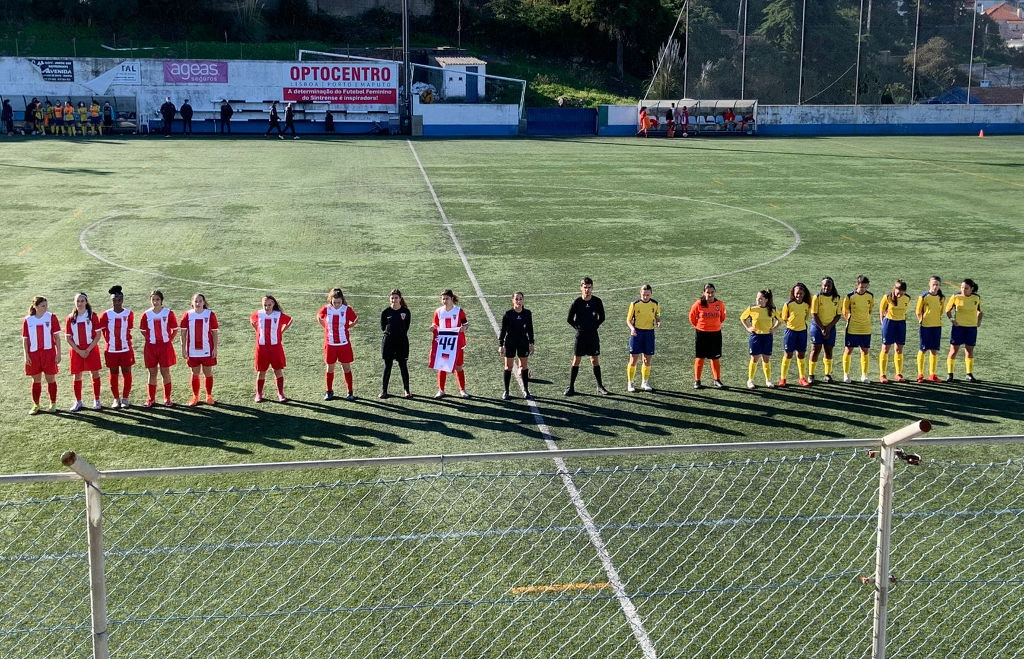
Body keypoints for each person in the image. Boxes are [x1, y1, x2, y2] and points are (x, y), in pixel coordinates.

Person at [566, 277, 608, 396]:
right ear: (581, 288)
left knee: (594, 359)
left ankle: (600, 386)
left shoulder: (597, 301)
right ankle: (571, 387)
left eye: (589, 287)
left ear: (592, 288)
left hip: (593, 335)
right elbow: (569, 319)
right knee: (576, 360)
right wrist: (578, 328)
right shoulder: (576, 302)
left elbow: (602, 317)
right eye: (585, 287)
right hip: (581, 336)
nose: (587, 290)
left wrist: (595, 326)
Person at [318, 287, 359, 401]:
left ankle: (350, 392)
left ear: (342, 301)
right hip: (330, 344)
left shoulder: (347, 309)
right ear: (330, 300)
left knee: (346, 368)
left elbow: (356, 319)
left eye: (338, 302)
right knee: (329, 368)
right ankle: (329, 391)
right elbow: (319, 317)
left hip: (344, 344)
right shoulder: (326, 308)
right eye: (334, 302)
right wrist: (326, 327)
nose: (336, 304)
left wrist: (348, 326)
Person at [23, 296, 61, 414]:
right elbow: (25, 340)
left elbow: (57, 337)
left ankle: (53, 403)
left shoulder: (51, 317)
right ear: (35, 306)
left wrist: (59, 353)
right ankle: (36, 404)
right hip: (33, 354)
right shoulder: (28, 320)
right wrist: (26, 355)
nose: (45, 308)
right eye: (42, 306)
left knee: (50, 379)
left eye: (46, 305)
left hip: (48, 353)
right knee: (36, 380)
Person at [65, 293, 103, 412]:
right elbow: (68, 338)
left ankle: (96, 399)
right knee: (77, 375)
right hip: (76, 351)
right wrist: (79, 351)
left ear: (86, 302)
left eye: (82, 301)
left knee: (94, 373)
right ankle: (78, 401)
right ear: (74, 302)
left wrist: (88, 349)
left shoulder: (92, 316)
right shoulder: (70, 318)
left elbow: (98, 335)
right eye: (78, 301)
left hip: (91, 349)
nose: (80, 303)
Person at [98, 285, 135, 408]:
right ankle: (116, 399)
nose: (116, 302)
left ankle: (125, 398)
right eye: (114, 300)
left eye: (119, 299)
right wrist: (110, 342)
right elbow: (103, 331)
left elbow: (129, 329)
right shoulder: (105, 314)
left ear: (122, 300)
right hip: (111, 350)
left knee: (126, 372)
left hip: (126, 349)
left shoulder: (129, 314)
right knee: (113, 373)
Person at [179, 293, 219, 406]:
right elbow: (183, 333)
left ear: (204, 302)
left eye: (200, 301)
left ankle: (209, 396)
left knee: (208, 373)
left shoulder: (210, 314)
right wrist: (183, 348)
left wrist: (215, 348)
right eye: (196, 301)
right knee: (195, 373)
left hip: (207, 350)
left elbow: (215, 333)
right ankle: (195, 396)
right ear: (192, 303)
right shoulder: (187, 315)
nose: (198, 303)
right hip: (192, 351)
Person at [140, 290, 178, 406]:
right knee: (152, 373)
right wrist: (150, 339)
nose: (155, 302)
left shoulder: (168, 313)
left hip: (164, 347)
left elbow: (175, 329)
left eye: (157, 299)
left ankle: (167, 398)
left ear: (161, 300)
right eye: (153, 300)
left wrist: (168, 340)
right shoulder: (146, 314)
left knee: (165, 372)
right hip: (151, 347)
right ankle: (151, 399)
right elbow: (143, 330)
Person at [251, 295, 292, 402]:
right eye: (265, 305)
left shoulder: (278, 315)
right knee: (261, 371)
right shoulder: (258, 314)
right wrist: (257, 331)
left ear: (273, 304)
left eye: (269, 305)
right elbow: (252, 321)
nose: (267, 307)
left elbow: (289, 320)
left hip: (275, 348)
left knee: (278, 370)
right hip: (262, 348)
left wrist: (281, 331)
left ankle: (280, 394)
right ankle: (259, 394)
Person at [430, 289, 469, 398]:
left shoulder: (458, 311)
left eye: (447, 298)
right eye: (443, 299)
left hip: (456, 343)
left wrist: (464, 328)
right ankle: (441, 390)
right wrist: (433, 327)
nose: (445, 301)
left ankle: (462, 390)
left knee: (458, 367)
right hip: (444, 344)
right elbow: (435, 324)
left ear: (452, 298)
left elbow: (466, 324)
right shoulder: (438, 311)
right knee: (442, 366)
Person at [688, 283, 726, 389]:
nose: (710, 294)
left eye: (712, 292)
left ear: (715, 292)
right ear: (704, 293)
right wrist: (699, 326)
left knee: (715, 358)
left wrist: (714, 325)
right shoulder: (698, 304)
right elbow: (691, 317)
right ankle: (697, 381)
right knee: (700, 358)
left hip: (715, 334)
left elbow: (722, 317)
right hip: (702, 333)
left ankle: (717, 380)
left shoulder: (720, 304)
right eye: (708, 292)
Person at [740, 289, 780, 389]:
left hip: (767, 337)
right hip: (756, 336)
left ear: (766, 300)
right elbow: (742, 318)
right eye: (757, 298)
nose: (758, 300)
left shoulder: (772, 309)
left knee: (766, 359)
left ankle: (768, 380)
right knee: (754, 358)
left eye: (760, 298)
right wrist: (748, 328)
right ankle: (750, 380)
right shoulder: (752, 308)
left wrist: (774, 328)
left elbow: (780, 319)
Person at [499, 292, 535, 400]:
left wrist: (531, 343)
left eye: (520, 299)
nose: (518, 301)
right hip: (510, 342)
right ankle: (506, 391)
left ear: (523, 300)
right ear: (513, 300)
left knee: (524, 366)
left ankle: (526, 390)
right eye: (516, 299)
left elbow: (530, 329)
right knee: (508, 367)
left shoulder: (527, 313)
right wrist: (501, 344)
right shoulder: (508, 314)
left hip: (523, 342)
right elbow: (503, 330)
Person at [945, 278, 983, 382]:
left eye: (966, 288)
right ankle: (950, 374)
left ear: (972, 289)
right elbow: (947, 310)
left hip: (971, 328)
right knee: (954, 350)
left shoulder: (976, 298)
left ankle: (969, 374)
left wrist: (979, 321)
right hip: (958, 328)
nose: (963, 290)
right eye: (962, 287)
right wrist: (952, 320)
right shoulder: (955, 296)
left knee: (969, 350)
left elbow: (980, 311)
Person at [625, 284, 661, 392]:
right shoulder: (635, 304)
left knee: (647, 359)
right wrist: (632, 328)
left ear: (651, 294)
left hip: (649, 333)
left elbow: (657, 315)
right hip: (637, 333)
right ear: (640, 293)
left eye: (648, 295)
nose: (645, 297)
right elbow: (628, 320)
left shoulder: (655, 304)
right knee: (633, 359)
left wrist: (658, 321)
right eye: (644, 294)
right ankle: (630, 383)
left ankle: (645, 382)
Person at [841, 275, 875, 383]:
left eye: (865, 287)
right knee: (848, 350)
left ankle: (864, 375)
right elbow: (845, 310)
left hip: (865, 328)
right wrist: (849, 319)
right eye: (861, 287)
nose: (863, 289)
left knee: (865, 351)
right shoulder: (850, 296)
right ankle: (846, 374)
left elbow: (870, 309)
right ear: (857, 285)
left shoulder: (870, 296)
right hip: (853, 327)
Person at [380, 289, 412, 399]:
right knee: (387, 366)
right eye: (392, 298)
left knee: (403, 366)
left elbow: (406, 326)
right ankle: (384, 390)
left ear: (400, 298)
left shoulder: (406, 312)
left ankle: (407, 390)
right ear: (390, 299)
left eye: (396, 298)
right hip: (388, 342)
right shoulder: (385, 312)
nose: (394, 300)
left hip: (401, 342)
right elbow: (383, 327)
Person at [808, 276, 841, 383]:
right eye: (825, 285)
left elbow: (838, 315)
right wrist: (822, 328)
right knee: (815, 350)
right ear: (822, 286)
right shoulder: (817, 297)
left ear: (832, 286)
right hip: (817, 327)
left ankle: (827, 374)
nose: (826, 287)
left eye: (829, 285)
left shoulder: (837, 298)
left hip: (830, 327)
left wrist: (829, 327)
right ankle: (811, 375)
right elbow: (814, 314)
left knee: (828, 350)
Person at [779, 282, 812, 387]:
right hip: (790, 332)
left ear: (804, 294)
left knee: (801, 354)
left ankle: (802, 378)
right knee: (788, 354)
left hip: (802, 332)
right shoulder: (788, 304)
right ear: (793, 293)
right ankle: (783, 379)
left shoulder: (806, 305)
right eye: (797, 293)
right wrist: (792, 325)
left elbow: (806, 317)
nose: (799, 295)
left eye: (801, 293)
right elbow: (784, 318)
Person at [878, 279, 910, 383]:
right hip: (889, 323)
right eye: (898, 291)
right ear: (894, 289)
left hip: (901, 324)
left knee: (899, 349)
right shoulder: (887, 297)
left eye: (902, 292)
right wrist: (883, 324)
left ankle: (898, 374)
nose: (899, 294)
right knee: (885, 349)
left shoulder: (907, 298)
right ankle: (882, 374)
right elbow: (881, 311)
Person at [915, 275, 946, 383]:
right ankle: (920, 374)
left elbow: (941, 311)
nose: (935, 287)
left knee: (934, 350)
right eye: (933, 284)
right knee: (923, 349)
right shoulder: (924, 296)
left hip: (936, 326)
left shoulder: (941, 298)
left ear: (939, 285)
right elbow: (918, 311)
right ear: (929, 284)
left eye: (937, 285)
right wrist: (921, 321)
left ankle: (932, 374)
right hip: (925, 326)